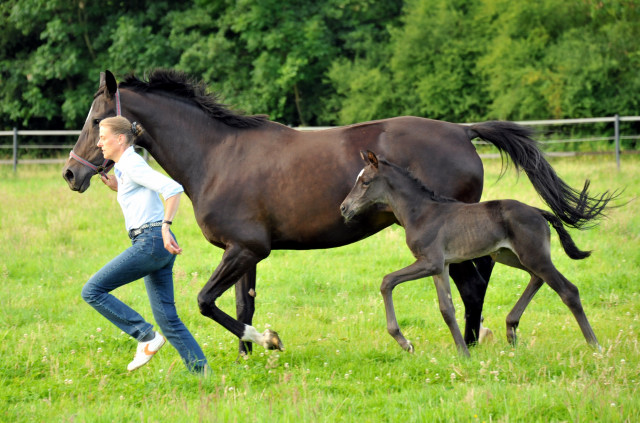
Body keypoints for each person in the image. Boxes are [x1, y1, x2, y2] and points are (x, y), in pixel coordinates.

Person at [81, 116, 207, 373]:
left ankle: (145, 336)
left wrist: (166, 225)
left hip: (151, 241)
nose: (98, 143)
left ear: (119, 139)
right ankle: (203, 375)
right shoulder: (125, 167)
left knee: (92, 291)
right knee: (168, 319)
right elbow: (141, 189)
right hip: (156, 245)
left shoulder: (130, 164)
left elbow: (173, 189)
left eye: (103, 138)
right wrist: (120, 187)